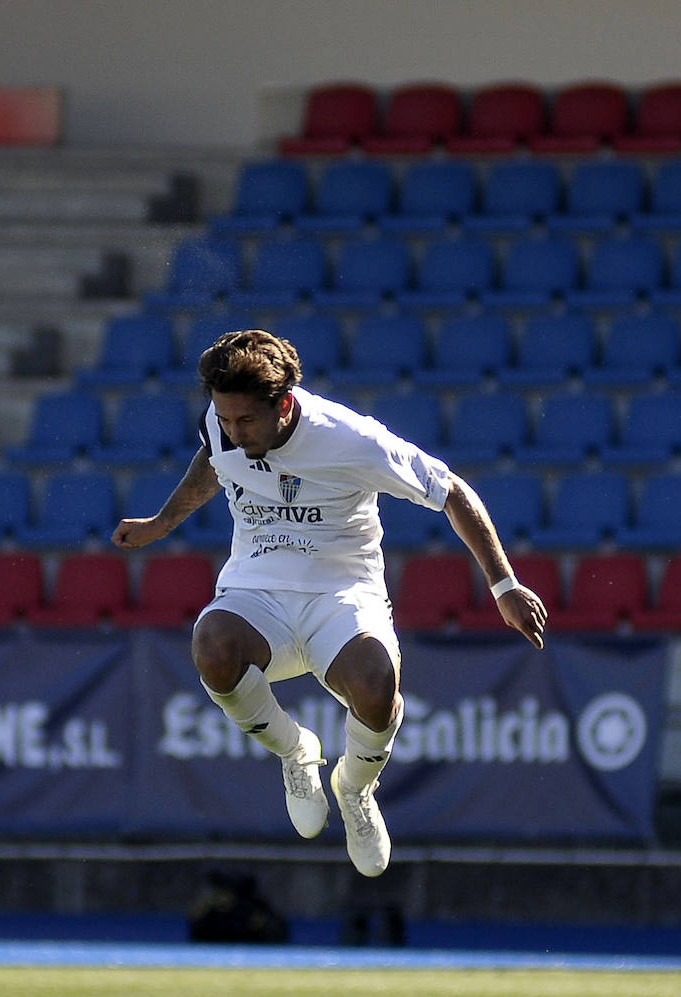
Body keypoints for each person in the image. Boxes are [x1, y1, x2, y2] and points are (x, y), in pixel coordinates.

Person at [112, 329, 546, 878]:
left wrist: (503, 586)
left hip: (342, 597)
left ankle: (355, 789)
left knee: (374, 686)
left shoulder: (352, 440)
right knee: (212, 646)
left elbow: (453, 492)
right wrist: (162, 523)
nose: (232, 431)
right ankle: (297, 754)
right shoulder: (224, 428)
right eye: (224, 419)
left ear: (284, 404)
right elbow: (212, 460)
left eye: (245, 421)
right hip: (257, 591)